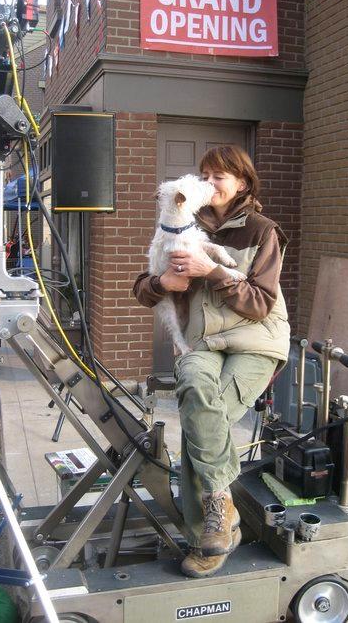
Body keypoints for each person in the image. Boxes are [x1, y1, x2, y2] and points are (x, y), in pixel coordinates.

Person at [133, 145, 290, 578]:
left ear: (242, 183)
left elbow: (259, 303)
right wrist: (161, 281)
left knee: (202, 419)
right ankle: (222, 512)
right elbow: (141, 288)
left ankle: (209, 535)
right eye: (204, 174)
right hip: (203, 345)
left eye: (219, 175)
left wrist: (212, 270)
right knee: (197, 395)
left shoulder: (262, 230)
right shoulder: (181, 224)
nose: (209, 183)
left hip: (256, 341)